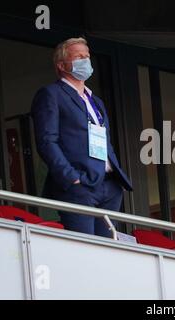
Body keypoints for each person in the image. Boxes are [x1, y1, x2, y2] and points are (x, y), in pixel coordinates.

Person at [31, 37, 132, 237]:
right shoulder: (51, 94)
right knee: (84, 251)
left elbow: (104, 140)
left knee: (108, 252)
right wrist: (71, 177)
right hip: (80, 185)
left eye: (87, 56)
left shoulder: (96, 101)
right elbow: (46, 141)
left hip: (109, 185)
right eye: (79, 57)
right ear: (61, 65)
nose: (85, 61)